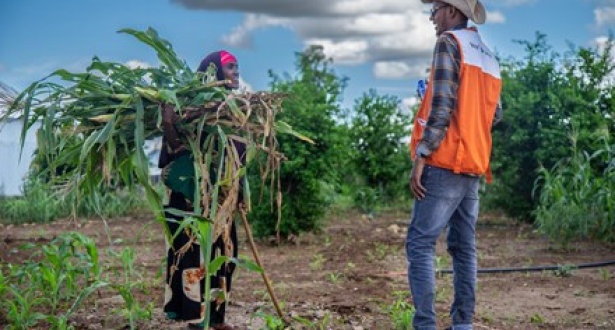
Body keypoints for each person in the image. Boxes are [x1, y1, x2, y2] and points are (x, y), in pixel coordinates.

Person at [406, 1, 502, 329]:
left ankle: (425, 325)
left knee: (420, 243)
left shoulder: (448, 43)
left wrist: (422, 154)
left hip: (446, 161)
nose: (431, 18)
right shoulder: (488, 55)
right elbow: (495, 114)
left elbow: (444, 104)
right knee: (464, 247)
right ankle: (463, 324)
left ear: (451, 11)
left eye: (433, 10)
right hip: (474, 163)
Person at [160, 50, 241, 330]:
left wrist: (238, 194)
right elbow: (175, 156)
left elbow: (236, 160)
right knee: (194, 258)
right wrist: (170, 126)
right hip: (190, 203)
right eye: (230, 67)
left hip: (222, 203)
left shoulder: (235, 112)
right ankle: (196, 321)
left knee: (225, 257)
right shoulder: (191, 111)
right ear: (214, 72)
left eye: (236, 67)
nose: (236, 72)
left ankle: (217, 318)